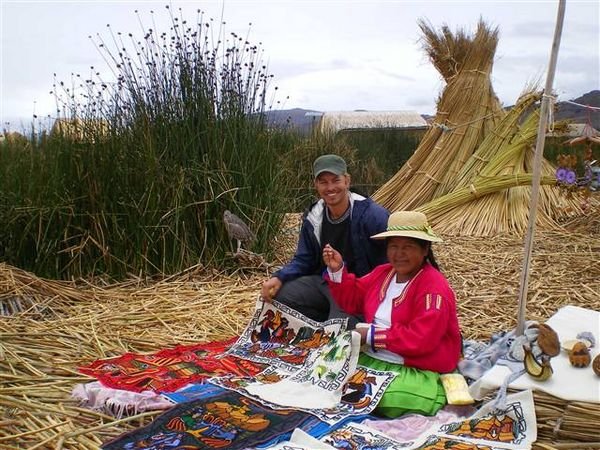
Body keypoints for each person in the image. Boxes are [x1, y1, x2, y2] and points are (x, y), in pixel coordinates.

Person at [322, 210, 461, 418]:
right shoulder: (383, 273)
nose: (399, 254)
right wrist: (337, 270)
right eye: (393, 246)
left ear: (425, 250)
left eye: (408, 247)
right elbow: (353, 301)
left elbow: (422, 340)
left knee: (389, 397)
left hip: (416, 367)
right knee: (326, 372)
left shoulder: (433, 286)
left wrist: (371, 335)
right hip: (373, 357)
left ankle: (436, 393)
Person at [261, 154, 389, 327]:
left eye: (336, 180)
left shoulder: (372, 215)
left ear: (347, 181)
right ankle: (325, 319)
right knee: (281, 296)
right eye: (323, 182)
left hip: (356, 289)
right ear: (316, 185)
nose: (330, 188)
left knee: (339, 328)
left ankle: (339, 321)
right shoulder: (314, 216)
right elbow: (303, 258)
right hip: (325, 283)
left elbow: (390, 262)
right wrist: (279, 277)